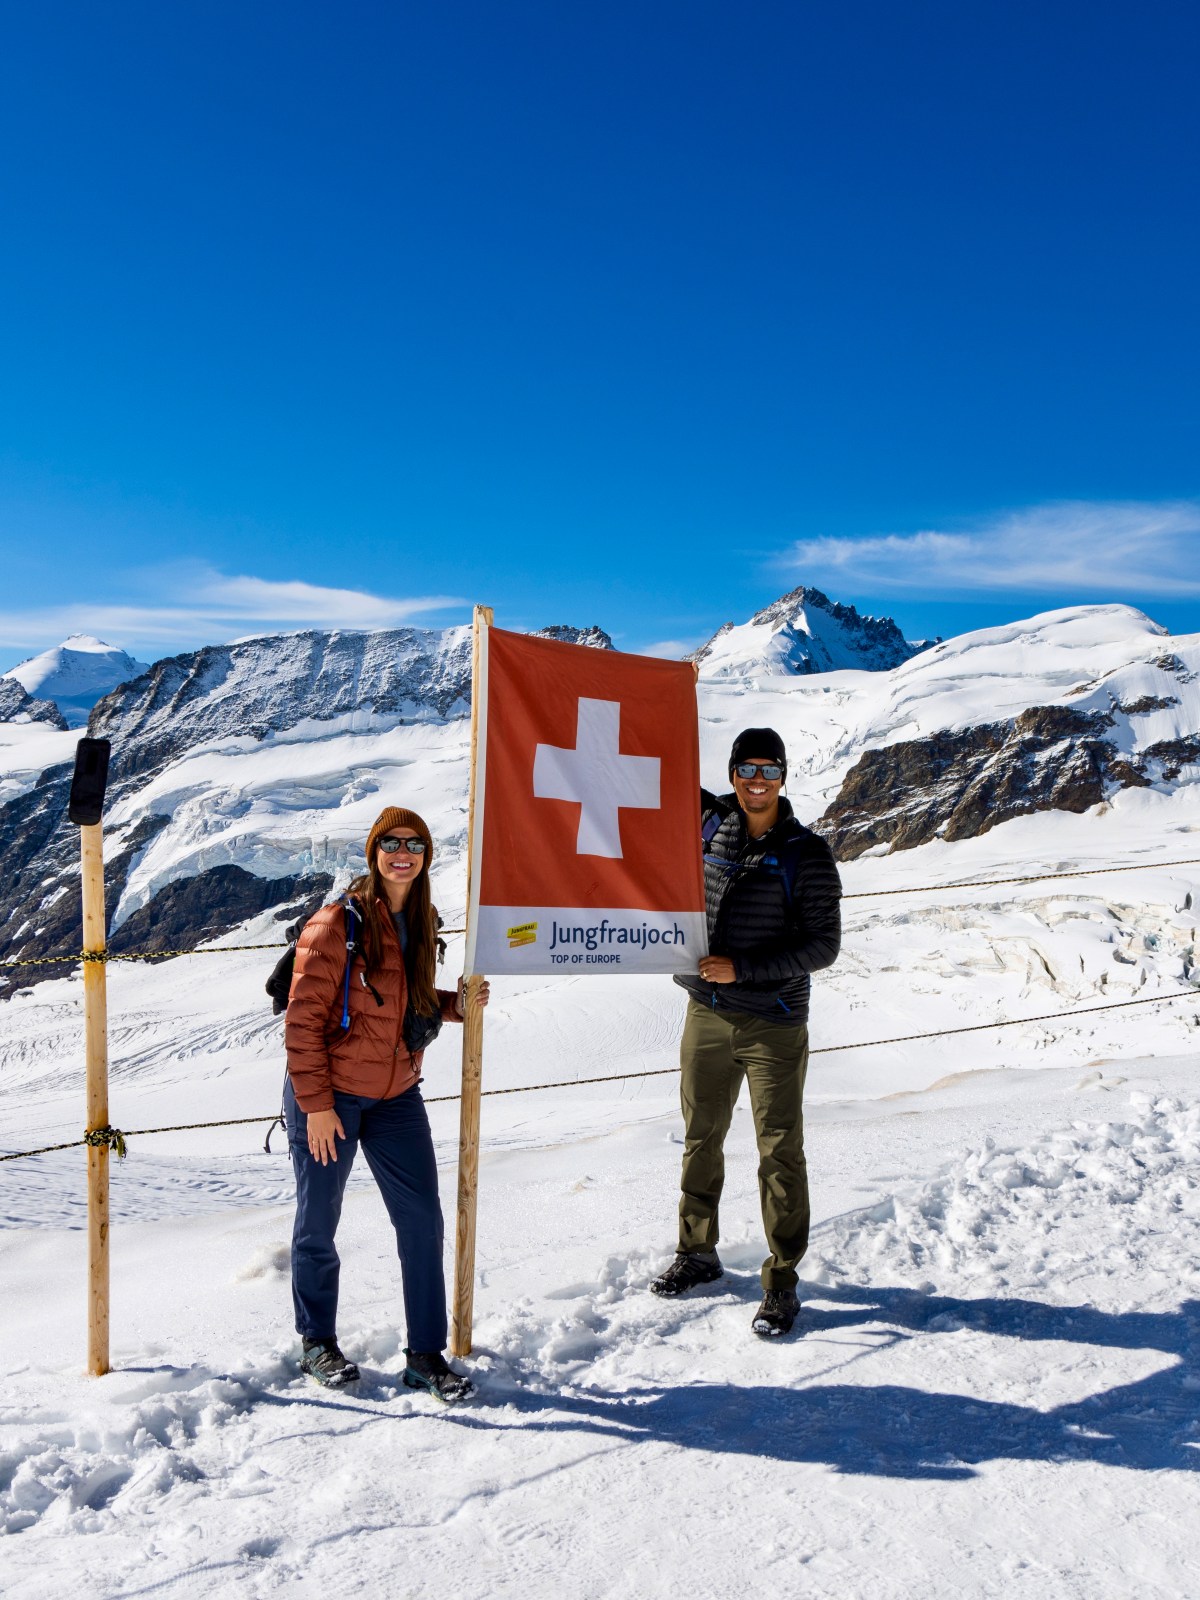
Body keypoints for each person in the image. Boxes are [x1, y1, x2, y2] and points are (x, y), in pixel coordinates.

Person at [284, 805, 489, 1400]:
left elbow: (410, 999)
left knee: (422, 1220)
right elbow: (302, 1023)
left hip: (396, 1094)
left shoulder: (421, 922)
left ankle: (425, 1355)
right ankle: (316, 1341)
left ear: (426, 855)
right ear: (373, 853)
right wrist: (317, 1105)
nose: (403, 852)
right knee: (318, 1222)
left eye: (415, 843)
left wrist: (458, 1003)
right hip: (330, 1100)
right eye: (390, 842)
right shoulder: (333, 927)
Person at [651, 728, 842, 1337]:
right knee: (700, 1137)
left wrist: (745, 971)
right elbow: (651, 774)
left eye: (768, 769)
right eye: (746, 768)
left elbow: (823, 945)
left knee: (778, 1149)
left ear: (783, 777)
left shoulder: (806, 853)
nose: (756, 780)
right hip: (705, 1011)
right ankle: (697, 1252)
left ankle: (782, 1281)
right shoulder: (710, 826)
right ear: (732, 773)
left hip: (774, 1020)